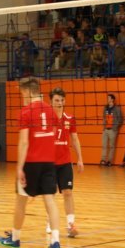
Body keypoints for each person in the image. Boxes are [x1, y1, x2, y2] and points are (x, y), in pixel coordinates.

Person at [0, 76, 61, 248]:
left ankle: (15, 239)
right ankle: (55, 241)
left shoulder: (26, 112)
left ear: (27, 91)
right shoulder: (51, 110)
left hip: (31, 162)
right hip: (48, 162)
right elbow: (53, 133)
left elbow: (24, 142)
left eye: (22, 93)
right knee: (50, 201)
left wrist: (19, 168)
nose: (22, 97)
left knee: (20, 202)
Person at [50, 88, 84, 238]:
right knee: (50, 195)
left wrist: (80, 159)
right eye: (56, 100)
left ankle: (71, 225)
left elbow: (75, 139)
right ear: (51, 101)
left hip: (65, 162)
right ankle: (50, 221)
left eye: (62, 100)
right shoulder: (46, 118)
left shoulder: (70, 118)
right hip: (49, 162)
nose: (59, 103)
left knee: (68, 192)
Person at [100, 93, 122, 165]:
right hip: (105, 129)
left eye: (109, 98)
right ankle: (103, 160)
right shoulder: (105, 108)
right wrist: (104, 127)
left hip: (113, 130)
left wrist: (115, 127)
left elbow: (120, 119)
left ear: (112, 99)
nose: (107, 99)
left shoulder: (117, 108)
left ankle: (109, 161)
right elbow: (104, 117)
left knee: (111, 146)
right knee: (104, 146)